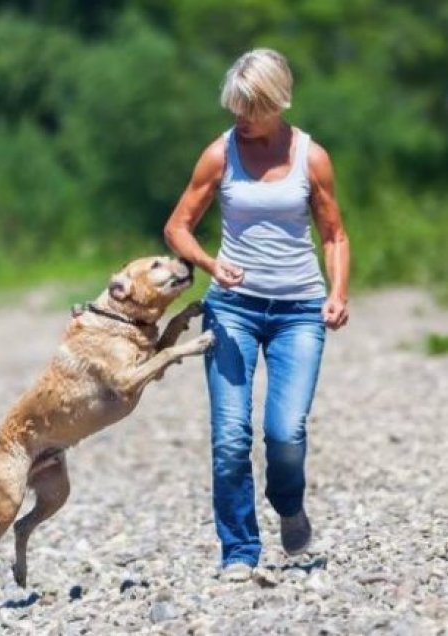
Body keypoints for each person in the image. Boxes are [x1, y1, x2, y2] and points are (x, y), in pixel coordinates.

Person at [164, 48, 350, 582]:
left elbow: (334, 233)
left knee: (286, 432)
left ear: (276, 101)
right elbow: (178, 225)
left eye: (250, 106)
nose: (240, 117)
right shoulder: (219, 155)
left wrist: (337, 291)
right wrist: (205, 262)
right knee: (229, 438)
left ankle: (288, 505)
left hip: (299, 311)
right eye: (235, 105)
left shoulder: (311, 157)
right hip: (232, 311)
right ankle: (239, 551)